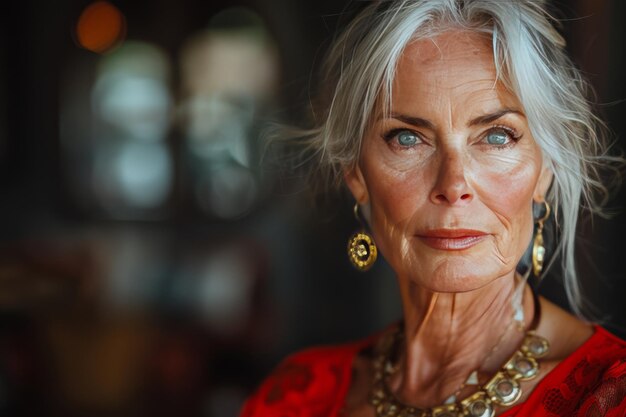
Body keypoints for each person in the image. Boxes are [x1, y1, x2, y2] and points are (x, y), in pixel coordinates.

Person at [240, 1, 626, 416]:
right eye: (407, 138)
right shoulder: (296, 397)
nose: (453, 186)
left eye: (496, 136)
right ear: (354, 172)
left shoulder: (608, 393)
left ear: (545, 169)